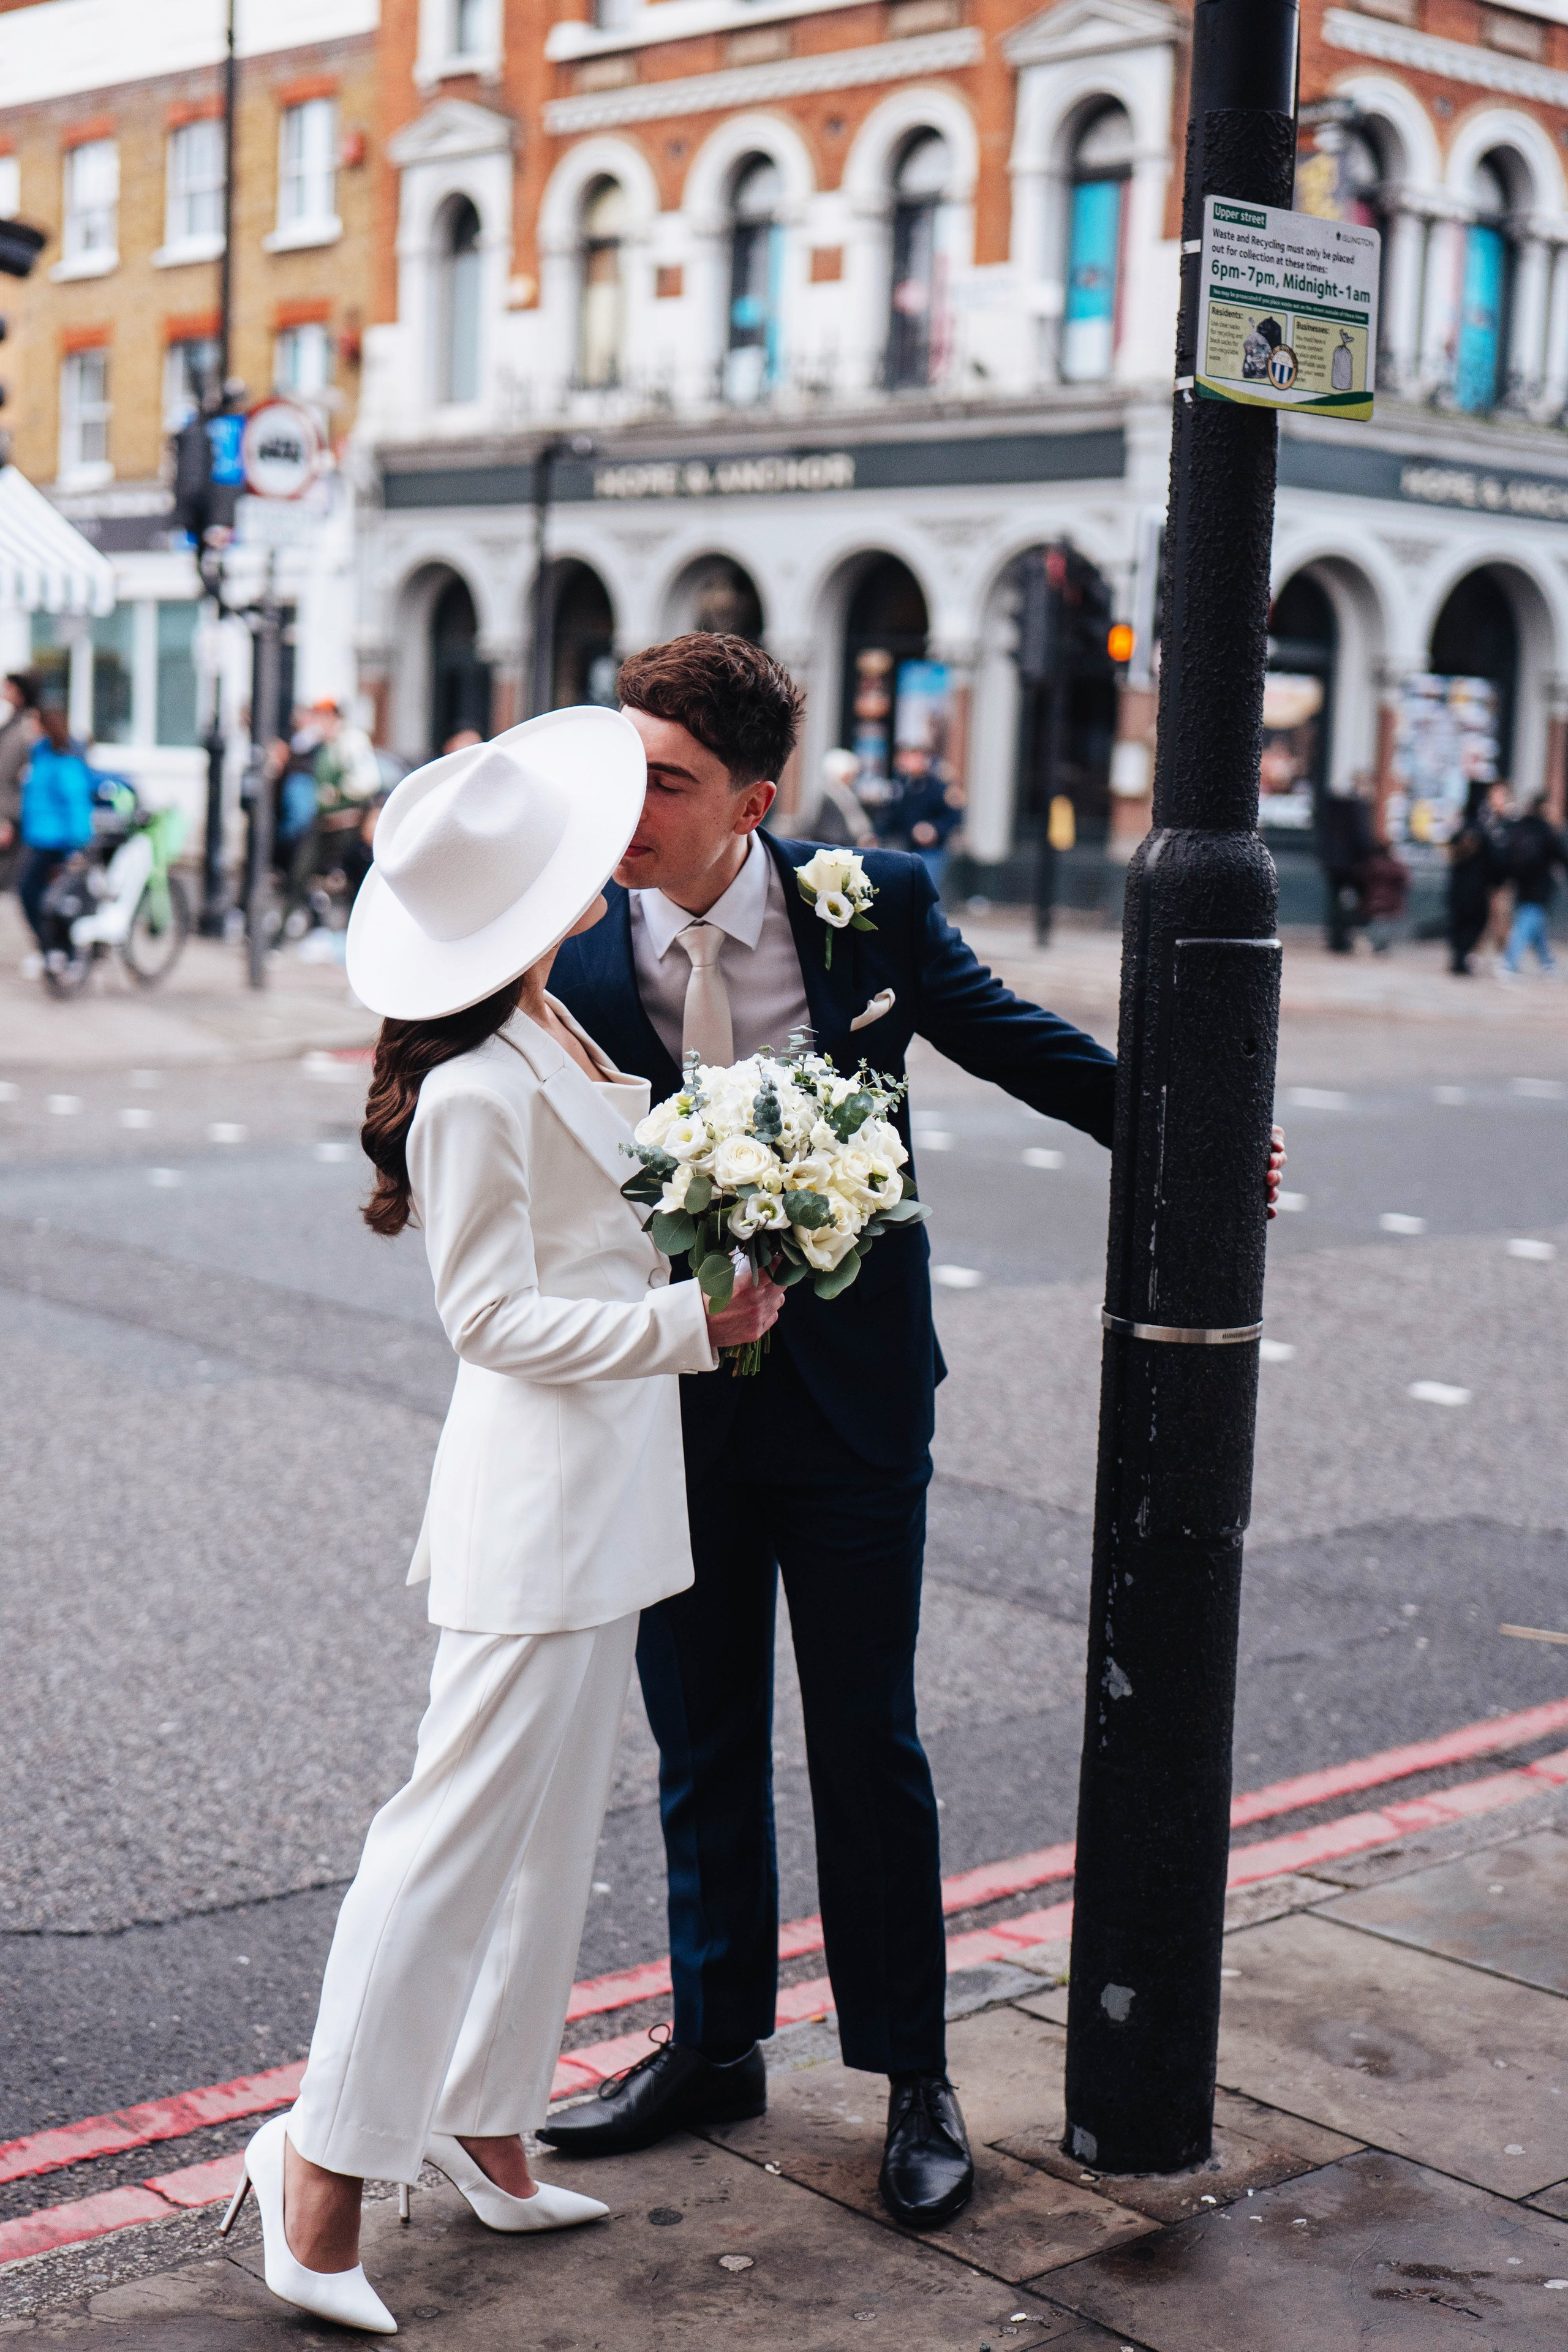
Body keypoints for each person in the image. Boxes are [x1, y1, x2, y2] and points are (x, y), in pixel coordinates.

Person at [543, 634, 1286, 2226]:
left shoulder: (867, 902)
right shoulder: (575, 933)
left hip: (856, 1399)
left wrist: (1199, 1133)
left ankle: (911, 2074)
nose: (632, 809)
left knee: (867, 1741)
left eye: (665, 782)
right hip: (670, 1393)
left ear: (756, 798)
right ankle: (716, 2042)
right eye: (622, 775)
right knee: (700, 1740)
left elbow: (1015, 1039)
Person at [221, 709, 783, 2332]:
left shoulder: (561, 1041)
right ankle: (318, 2173)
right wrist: (697, 1330)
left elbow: (613, 1237)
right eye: (567, 870)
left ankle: (486, 2121)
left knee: (544, 1848)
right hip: (532, 1509)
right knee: (447, 1840)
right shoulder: (475, 1088)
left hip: (608, 1499)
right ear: (523, 915)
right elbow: (494, 1325)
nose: (603, 871)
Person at [17, 707, 97, 956]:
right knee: (38, 897)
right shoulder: (39, 757)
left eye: (34, 724)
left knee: (46, 898)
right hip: (40, 838)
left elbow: (76, 804)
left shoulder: (64, 761)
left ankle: (60, 949)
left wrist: (76, 846)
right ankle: (51, 948)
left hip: (58, 842)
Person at [1500, 792, 1568, 976]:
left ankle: (1547, 962)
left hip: (1522, 881)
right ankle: (1509, 962)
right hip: (1539, 883)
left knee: (1535, 920)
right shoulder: (1546, 830)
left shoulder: (1521, 826)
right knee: (1529, 918)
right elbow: (1560, 856)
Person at [1316, 782, 1374, 954]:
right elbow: (1361, 836)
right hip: (1350, 863)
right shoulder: (1358, 806)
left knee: (1335, 900)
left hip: (1333, 862)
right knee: (1351, 900)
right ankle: (1343, 937)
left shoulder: (1334, 807)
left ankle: (1335, 936)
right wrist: (1367, 855)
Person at [1447, 785, 1496, 975]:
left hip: (1458, 888)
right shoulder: (1482, 833)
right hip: (1476, 889)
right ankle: (1462, 958)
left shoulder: (1459, 832)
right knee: (1475, 922)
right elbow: (1494, 861)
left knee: (1459, 923)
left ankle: (1459, 958)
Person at [0, 670, 42, 888]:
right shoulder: (13, 724)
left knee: (8, 889)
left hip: (11, 819)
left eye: (8, 687)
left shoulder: (28, 728)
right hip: (7, 815)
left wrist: (8, 820)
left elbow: (19, 779)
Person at [1356, 834, 1408, 954]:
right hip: (1389, 905)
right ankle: (1381, 946)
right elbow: (1404, 880)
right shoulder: (1395, 866)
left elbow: (1360, 878)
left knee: (1376, 926)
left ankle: (1377, 945)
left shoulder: (1370, 865)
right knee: (1384, 927)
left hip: (1373, 903)